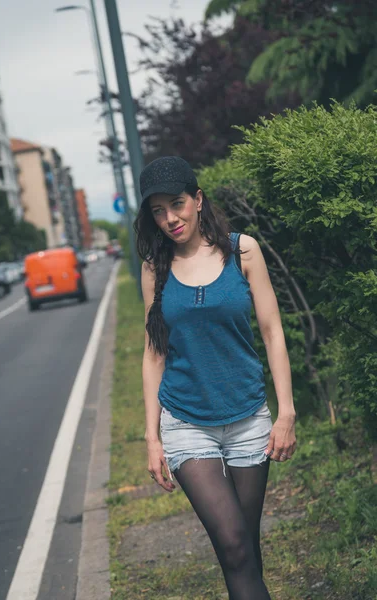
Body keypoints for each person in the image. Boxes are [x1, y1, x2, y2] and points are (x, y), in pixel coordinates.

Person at [134, 156, 297, 600]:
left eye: (178, 204)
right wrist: (152, 438)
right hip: (187, 423)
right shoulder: (155, 267)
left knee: (245, 552)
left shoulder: (242, 251)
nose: (170, 218)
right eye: (158, 211)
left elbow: (272, 331)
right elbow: (154, 352)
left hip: (248, 418)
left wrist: (286, 412)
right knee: (233, 545)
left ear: (198, 199)